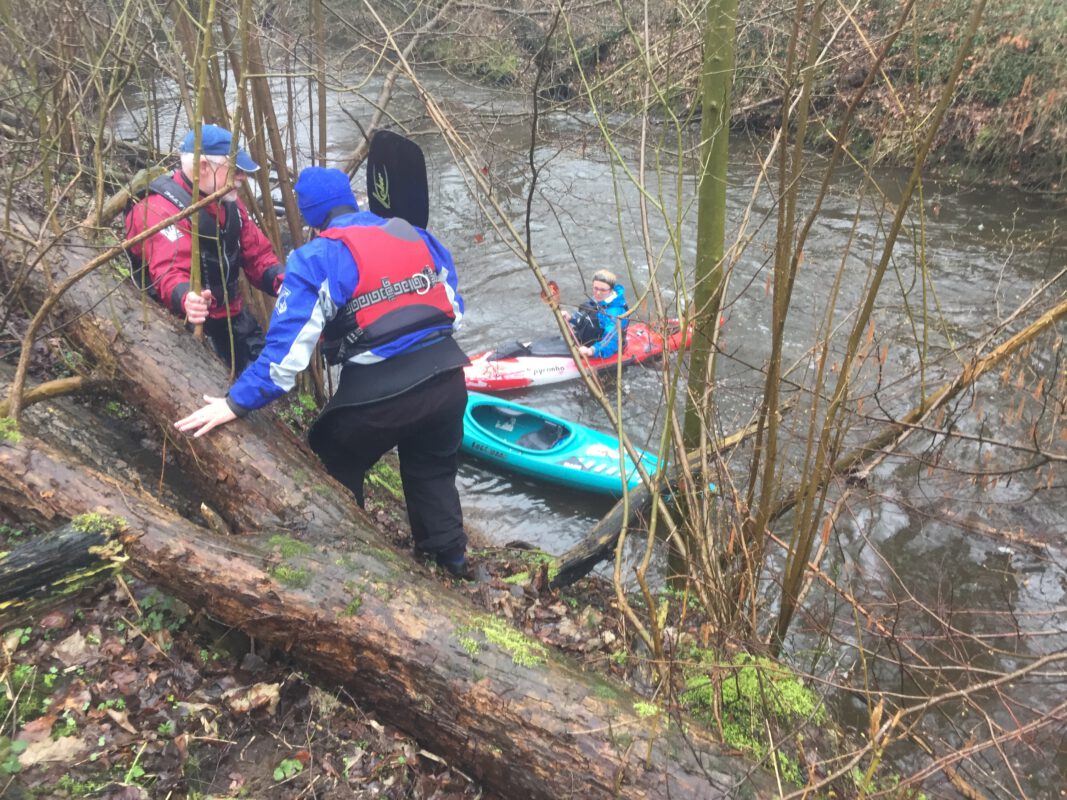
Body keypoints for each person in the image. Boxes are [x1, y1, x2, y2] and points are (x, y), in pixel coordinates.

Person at [174, 167, 472, 576]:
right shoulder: (418, 236)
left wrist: (234, 403)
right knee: (432, 468)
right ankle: (452, 563)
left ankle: (355, 561)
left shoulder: (316, 258)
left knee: (333, 457)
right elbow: (454, 311)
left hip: (379, 397)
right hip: (448, 381)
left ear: (310, 215)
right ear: (350, 199)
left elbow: (284, 362)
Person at [125, 123, 285, 373]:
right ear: (203, 167)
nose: (242, 178)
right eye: (235, 170)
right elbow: (168, 271)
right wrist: (187, 298)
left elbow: (258, 256)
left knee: (266, 374)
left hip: (232, 316)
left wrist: (281, 280)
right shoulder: (157, 210)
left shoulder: (229, 202)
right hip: (185, 326)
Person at [563, 269, 629, 359]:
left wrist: (591, 350)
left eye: (603, 290)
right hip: (586, 342)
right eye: (596, 288)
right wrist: (571, 318)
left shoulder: (615, 313)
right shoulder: (598, 301)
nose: (598, 293)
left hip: (600, 350)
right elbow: (587, 318)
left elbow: (612, 340)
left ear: (611, 290)